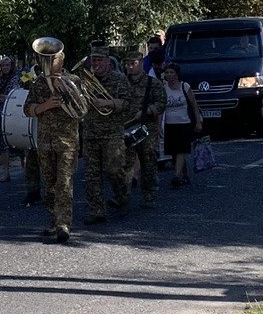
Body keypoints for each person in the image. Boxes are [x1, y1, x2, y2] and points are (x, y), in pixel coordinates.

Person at [24, 44, 82, 243]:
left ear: (62, 60)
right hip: (45, 141)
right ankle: (54, 219)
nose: (49, 62)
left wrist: (67, 93)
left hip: (67, 141)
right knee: (49, 184)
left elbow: (82, 110)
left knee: (64, 182)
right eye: (47, 58)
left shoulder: (73, 80)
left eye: (54, 58)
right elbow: (27, 109)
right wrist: (45, 105)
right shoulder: (38, 83)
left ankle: (63, 224)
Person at [79, 47, 135, 226]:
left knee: (114, 170)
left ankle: (122, 198)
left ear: (108, 62)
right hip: (90, 133)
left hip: (112, 133)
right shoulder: (85, 81)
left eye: (100, 60)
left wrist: (109, 102)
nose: (96, 64)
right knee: (91, 174)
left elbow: (129, 104)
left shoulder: (119, 79)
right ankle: (97, 211)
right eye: (94, 60)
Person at [129, 53, 165, 205]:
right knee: (125, 162)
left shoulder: (153, 83)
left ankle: (149, 194)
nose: (130, 66)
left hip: (147, 127)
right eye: (128, 63)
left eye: (133, 63)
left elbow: (161, 103)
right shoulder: (123, 82)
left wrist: (147, 111)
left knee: (148, 161)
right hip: (128, 126)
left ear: (141, 63)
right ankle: (123, 196)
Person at [159, 62, 201, 187]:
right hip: (170, 124)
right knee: (173, 152)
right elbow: (161, 108)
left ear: (177, 74)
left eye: (171, 72)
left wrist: (198, 122)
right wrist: (158, 125)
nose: (169, 74)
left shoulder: (185, 86)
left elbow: (194, 105)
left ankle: (176, 176)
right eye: (166, 72)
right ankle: (184, 174)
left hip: (184, 123)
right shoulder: (163, 88)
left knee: (181, 150)